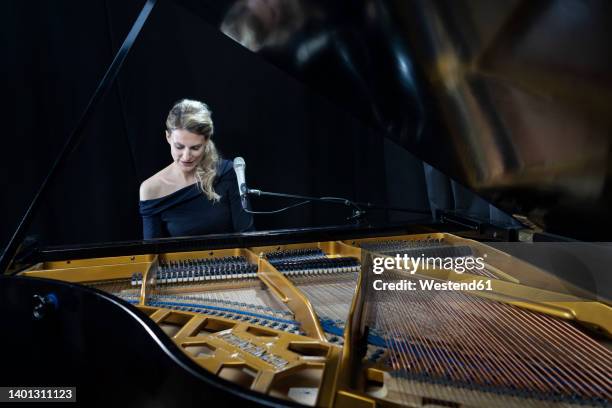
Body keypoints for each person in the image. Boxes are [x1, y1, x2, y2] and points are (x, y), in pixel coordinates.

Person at [139, 99, 254, 239]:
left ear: (206, 141)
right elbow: (152, 254)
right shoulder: (151, 189)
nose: (186, 157)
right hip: (181, 261)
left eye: (195, 148)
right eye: (179, 147)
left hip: (232, 260)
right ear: (168, 137)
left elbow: (248, 235)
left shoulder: (227, 172)